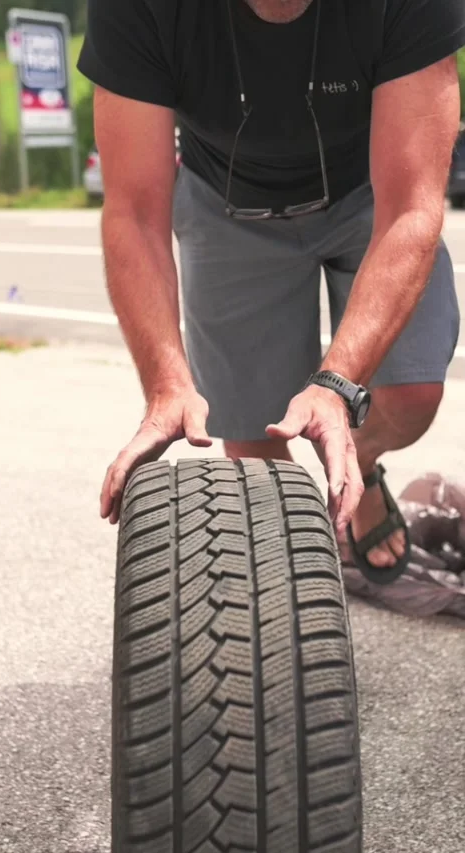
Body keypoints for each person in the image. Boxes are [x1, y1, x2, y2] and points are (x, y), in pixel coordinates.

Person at [78, 0, 465, 584]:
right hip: (229, 199)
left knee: (411, 396)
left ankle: (359, 461)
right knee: (255, 437)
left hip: (370, 187)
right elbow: (132, 214)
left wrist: (335, 387)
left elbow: (412, 208)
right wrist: (165, 386)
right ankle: (297, 592)